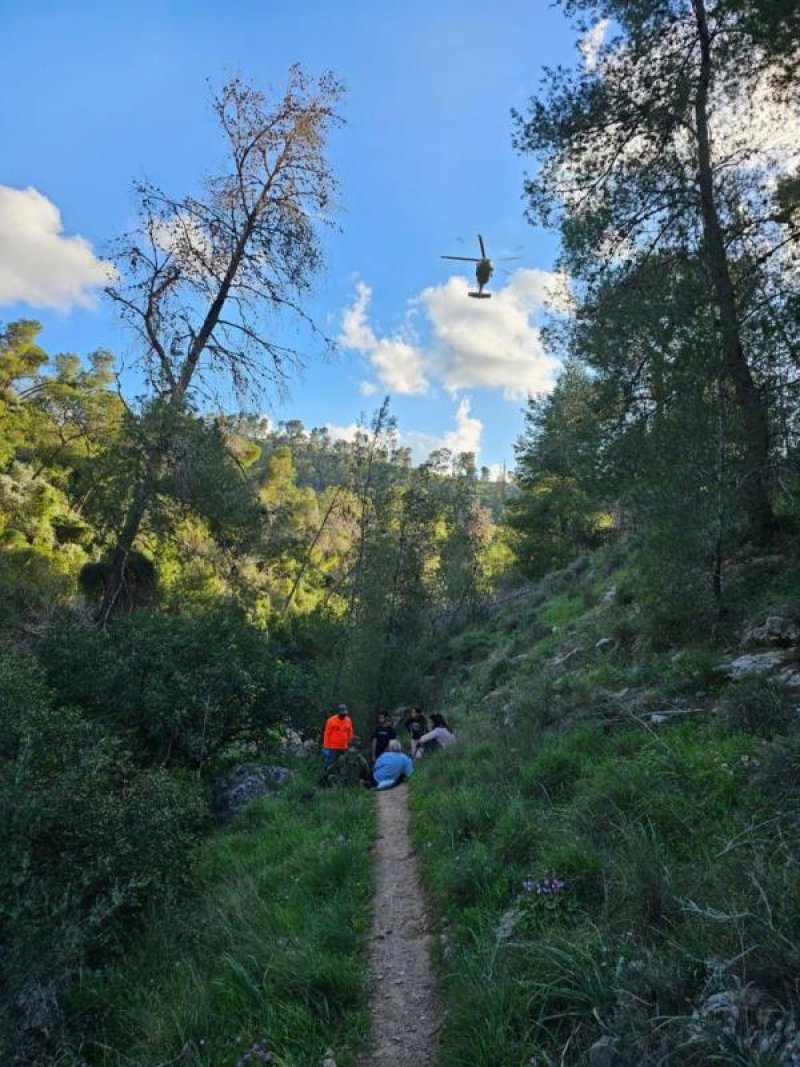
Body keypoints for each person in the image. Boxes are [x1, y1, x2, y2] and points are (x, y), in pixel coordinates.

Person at [322, 703, 354, 768]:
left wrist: (350, 742)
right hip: (333, 747)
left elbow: (350, 732)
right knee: (331, 764)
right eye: (342, 714)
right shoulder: (331, 720)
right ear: (339, 712)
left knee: (343, 764)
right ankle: (326, 776)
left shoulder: (348, 720)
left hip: (344, 747)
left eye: (344, 714)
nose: (343, 715)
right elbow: (327, 734)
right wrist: (326, 746)